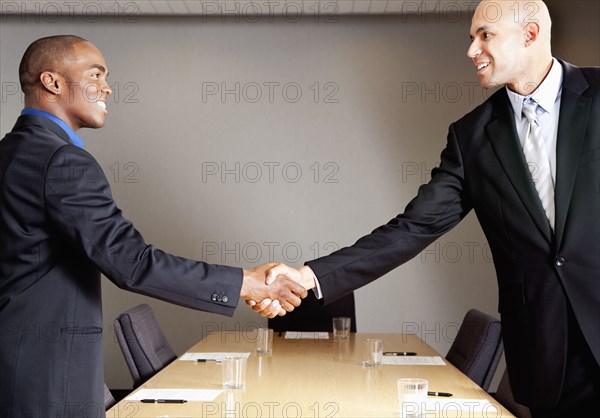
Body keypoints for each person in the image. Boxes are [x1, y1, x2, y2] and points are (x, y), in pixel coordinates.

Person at [260, 1, 600, 416]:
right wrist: (308, 276)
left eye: (485, 36)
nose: (472, 50)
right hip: (549, 361)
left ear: (529, 35)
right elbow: (411, 230)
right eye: (471, 38)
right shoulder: (472, 136)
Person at [0, 35, 307, 418]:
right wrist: (247, 282)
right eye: (95, 75)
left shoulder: (10, 153)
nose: (107, 87)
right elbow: (132, 263)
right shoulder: (63, 162)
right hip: (49, 384)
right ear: (53, 82)